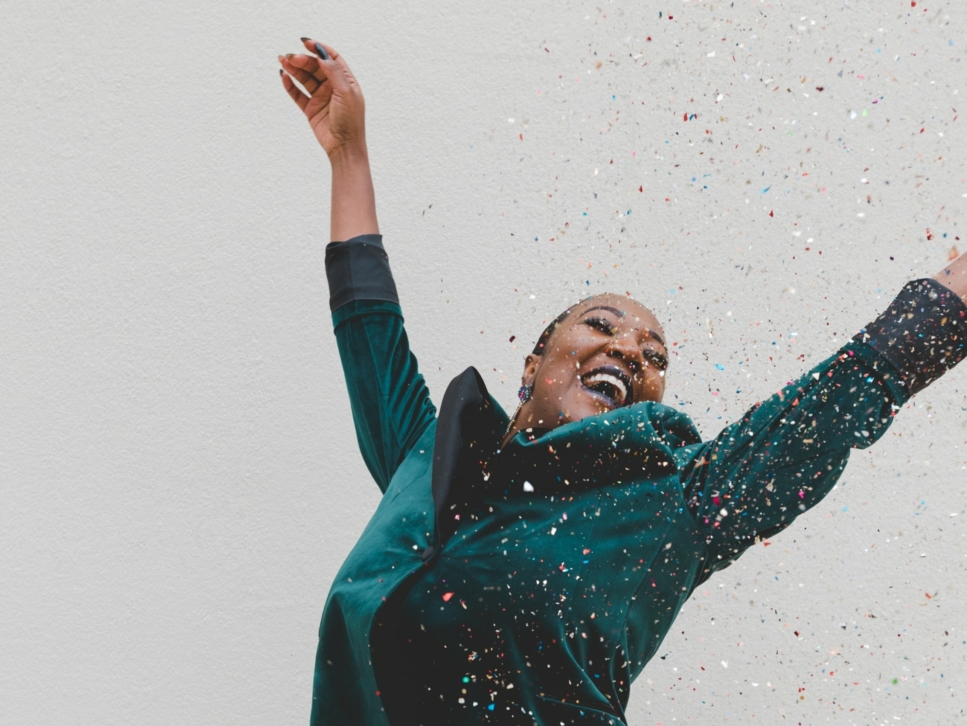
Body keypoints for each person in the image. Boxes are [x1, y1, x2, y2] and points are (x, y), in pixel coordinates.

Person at [278, 39, 967, 726]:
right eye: (602, 324)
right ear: (535, 363)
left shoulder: (672, 508)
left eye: (655, 355)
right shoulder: (425, 459)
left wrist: (955, 294)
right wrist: (348, 154)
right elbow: (369, 322)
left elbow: (826, 411)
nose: (629, 349)